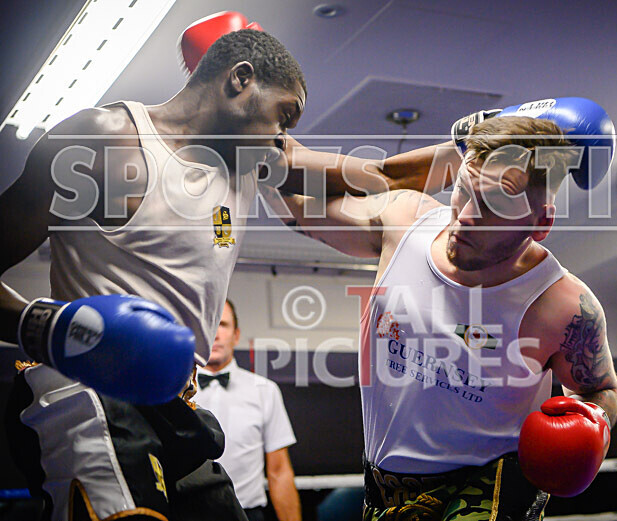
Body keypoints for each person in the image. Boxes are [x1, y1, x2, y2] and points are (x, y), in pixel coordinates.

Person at [0, 15, 458, 521]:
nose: (284, 136)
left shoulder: (254, 159)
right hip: (89, 390)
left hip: (175, 403)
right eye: (284, 115)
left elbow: (380, 175)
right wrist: (55, 327)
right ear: (240, 79)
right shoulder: (103, 141)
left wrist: (476, 146)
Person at [267, 101, 617, 520]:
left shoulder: (563, 306)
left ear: (540, 224)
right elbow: (297, 208)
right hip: (384, 490)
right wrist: (257, 136)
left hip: (485, 492)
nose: (465, 218)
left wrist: (593, 422)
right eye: (464, 191)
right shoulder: (404, 221)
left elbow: (601, 388)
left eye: (493, 207)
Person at [194, 299, 301, 521]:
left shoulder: (265, 390)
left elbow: (279, 471)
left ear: (236, 335)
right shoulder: (171, 389)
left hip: (249, 514)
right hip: (187, 512)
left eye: (223, 325)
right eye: (208, 325)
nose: (215, 334)